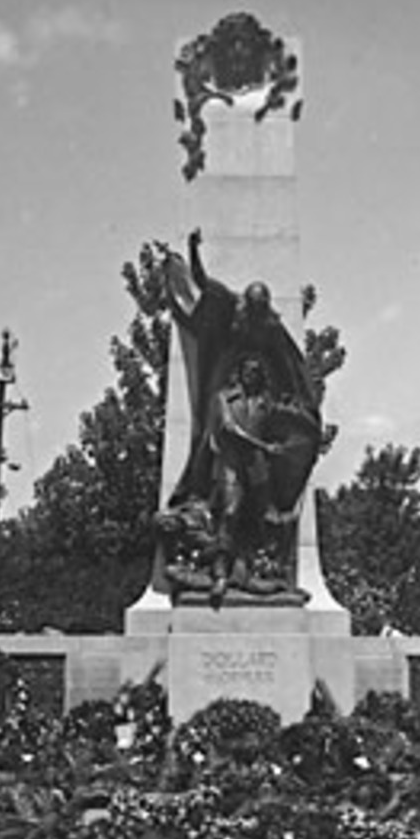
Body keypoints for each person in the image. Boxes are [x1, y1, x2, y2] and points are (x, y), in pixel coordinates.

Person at [158, 228, 322, 598]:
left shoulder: (271, 328)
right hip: (224, 376)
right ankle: (217, 564)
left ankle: (247, 568)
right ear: (246, 303)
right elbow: (200, 282)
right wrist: (193, 249)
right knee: (222, 479)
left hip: (256, 424)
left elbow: (287, 368)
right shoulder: (230, 308)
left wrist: (297, 414)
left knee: (259, 510)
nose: (257, 314)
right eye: (254, 307)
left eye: (263, 309)